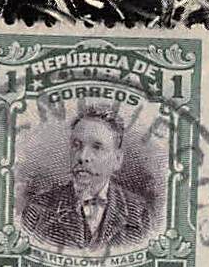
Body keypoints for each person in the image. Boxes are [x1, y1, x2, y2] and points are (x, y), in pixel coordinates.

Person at [20, 105, 153, 250]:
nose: (82, 157)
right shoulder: (38, 210)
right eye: (76, 145)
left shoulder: (138, 212)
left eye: (97, 147)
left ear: (117, 160)